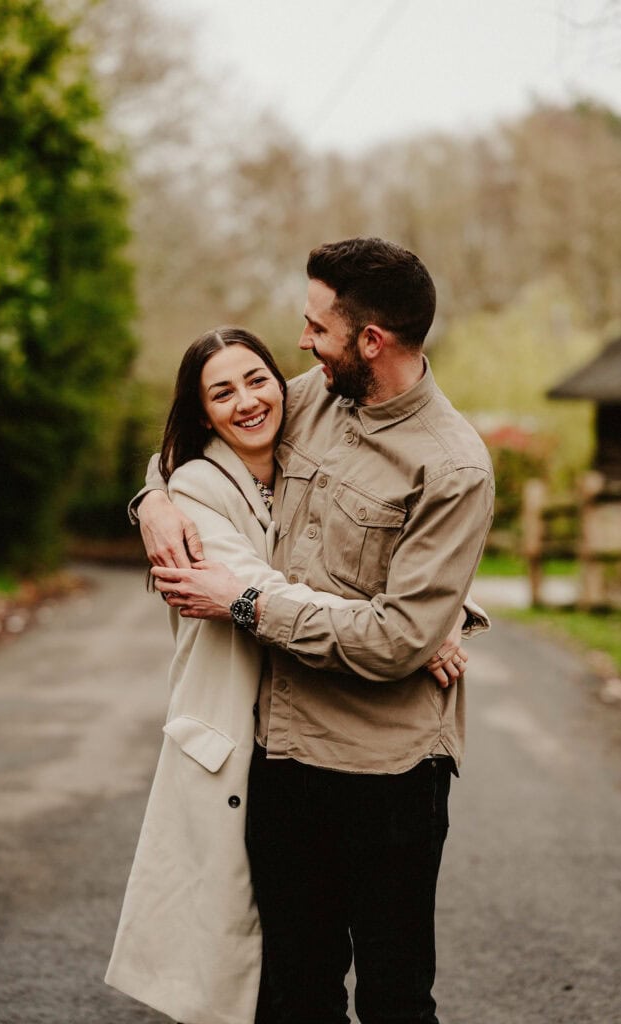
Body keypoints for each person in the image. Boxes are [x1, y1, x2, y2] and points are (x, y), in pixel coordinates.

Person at [137, 239, 495, 1024]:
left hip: (389, 776)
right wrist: (155, 497)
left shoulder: (452, 467)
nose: (302, 342)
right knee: (294, 991)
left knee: (396, 997)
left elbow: (397, 638)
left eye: (317, 327)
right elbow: (211, 426)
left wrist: (245, 601)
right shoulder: (315, 395)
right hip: (285, 760)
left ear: (370, 341)